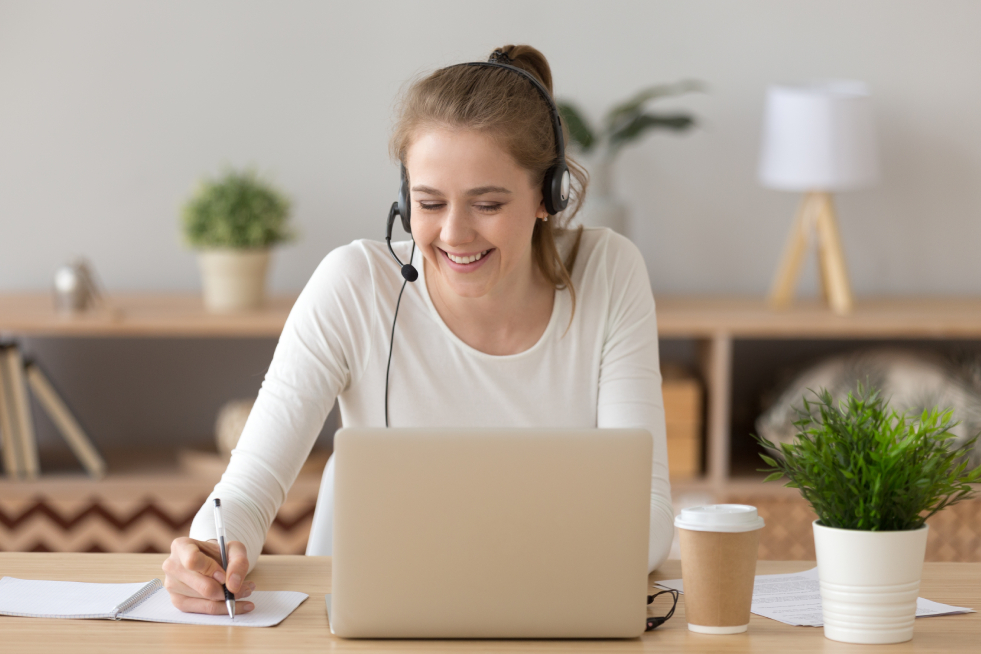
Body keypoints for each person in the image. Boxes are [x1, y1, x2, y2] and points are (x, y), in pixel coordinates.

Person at [162, 44, 673, 616]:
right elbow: (248, 488)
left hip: (545, 614)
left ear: (546, 196)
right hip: (382, 618)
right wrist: (209, 547)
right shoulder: (354, 284)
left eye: (487, 204)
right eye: (430, 203)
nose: (454, 234)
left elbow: (648, 518)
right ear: (405, 199)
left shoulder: (608, 273)